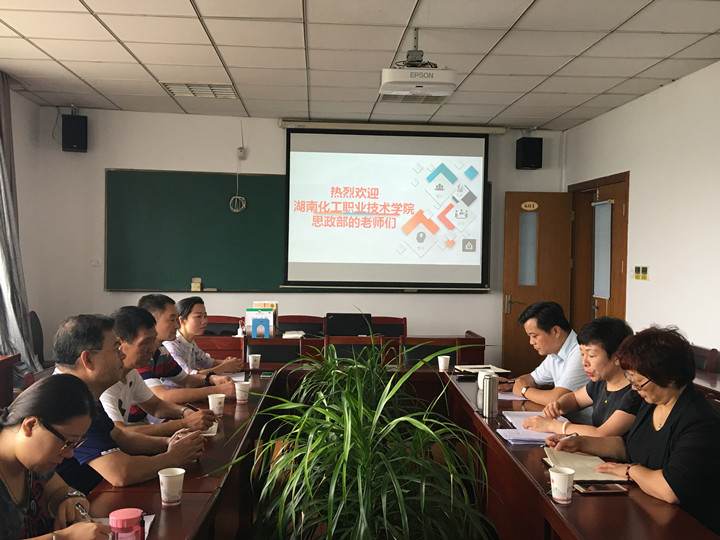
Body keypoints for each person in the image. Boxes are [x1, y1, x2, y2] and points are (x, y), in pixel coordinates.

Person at [547, 326, 720, 535]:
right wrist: (580, 442)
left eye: (639, 382)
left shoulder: (699, 421)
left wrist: (630, 471)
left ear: (669, 377)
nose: (634, 388)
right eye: (632, 380)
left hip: (686, 526)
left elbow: (670, 489)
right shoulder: (652, 401)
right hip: (646, 509)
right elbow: (627, 446)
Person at [53, 314, 204, 493]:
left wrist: (168, 443)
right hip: (81, 500)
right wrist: (172, 457)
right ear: (88, 359)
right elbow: (120, 473)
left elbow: (119, 436)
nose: (122, 355)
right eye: (116, 349)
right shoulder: (68, 401)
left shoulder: (80, 390)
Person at [0, 374, 111, 539]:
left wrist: (70, 499)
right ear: (31, 425)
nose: (70, 454)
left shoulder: (32, 461)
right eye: (67, 443)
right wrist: (64, 537)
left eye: (75, 444)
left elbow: (59, 491)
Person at [100, 306, 216, 436]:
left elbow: (156, 406)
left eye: (153, 340)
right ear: (119, 344)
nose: (152, 349)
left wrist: (186, 412)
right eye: (146, 342)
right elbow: (120, 432)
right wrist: (184, 423)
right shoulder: (105, 381)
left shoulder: (131, 373)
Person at [523, 317, 641, 436]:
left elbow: (601, 434)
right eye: (582, 354)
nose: (584, 362)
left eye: (591, 355)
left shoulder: (635, 392)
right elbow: (575, 399)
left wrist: (551, 426)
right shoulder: (600, 382)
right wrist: (559, 404)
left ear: (617, 357)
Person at [136, 294, 235, 403]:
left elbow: (187, 380)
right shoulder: (140, 356)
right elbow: (163, 396)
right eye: (172, 320)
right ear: (151, 321)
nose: (176, 325)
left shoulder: (162, 351)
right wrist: (217, 390)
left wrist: (212, 378)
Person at [501, 301, 588, 406]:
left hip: (583, 417)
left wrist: (524, 390)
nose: (531, 342)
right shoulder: (554, 354)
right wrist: (509, 384)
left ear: (556, 331)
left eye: (534, 336)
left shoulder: (581, 353)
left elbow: (557, 399)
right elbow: (533, 379)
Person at [164, 296, 242, 375]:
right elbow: (189, 376)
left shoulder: (190, 342)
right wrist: (224, 367)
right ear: (181, 320)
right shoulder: (172, 345)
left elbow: (207, 363)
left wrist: (229, 363)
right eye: (198, 316)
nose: (204, 321)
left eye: (205, 316)